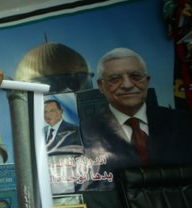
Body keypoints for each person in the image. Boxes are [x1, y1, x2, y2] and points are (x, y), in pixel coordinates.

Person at [80, 47, 192, 189]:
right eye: (115, 79)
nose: (127, 85)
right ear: (101, 86)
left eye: (135, 76)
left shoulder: (184, 123)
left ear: (147, 80)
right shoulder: (84, 133)